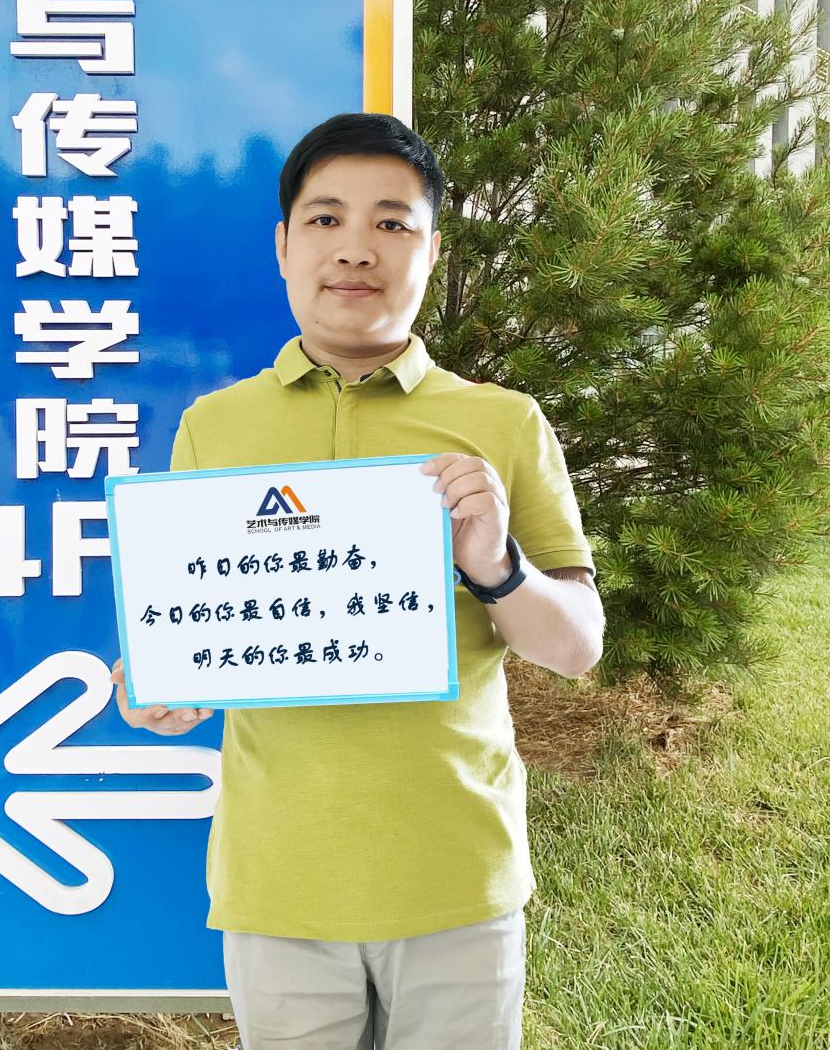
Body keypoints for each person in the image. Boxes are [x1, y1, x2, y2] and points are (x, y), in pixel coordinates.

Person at [112, 112, 604, 1049]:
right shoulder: (215, 426)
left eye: (391, 222)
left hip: (456, 875)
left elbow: (578, 647)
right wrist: (161, 686)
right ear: (283, 246)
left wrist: (495, 565)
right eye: (326, 218)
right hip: (278, 880)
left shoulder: (502, 423)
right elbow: (193, 631)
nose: (355, 248)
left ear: (431, 250)